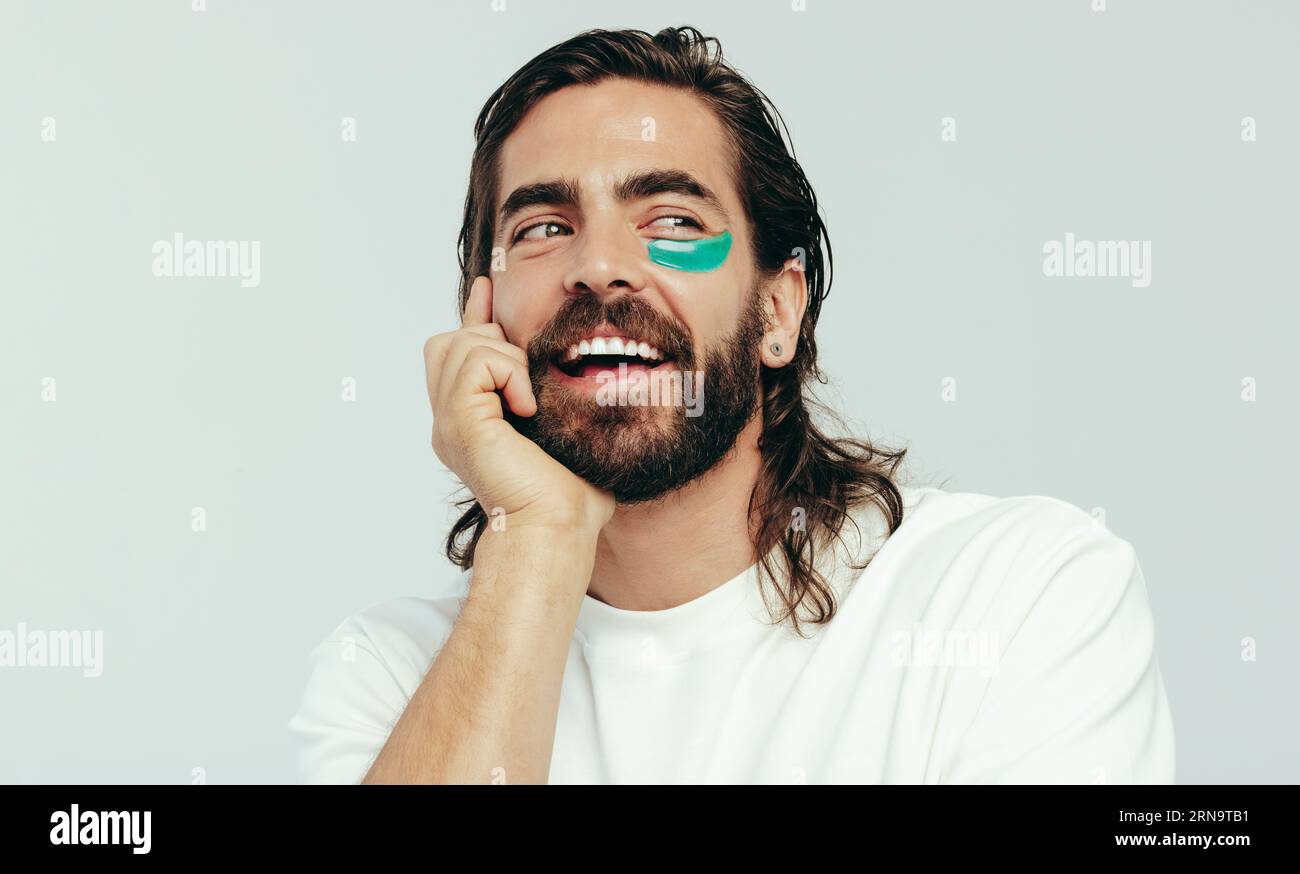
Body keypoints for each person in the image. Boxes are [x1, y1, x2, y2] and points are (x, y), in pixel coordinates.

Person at [288, 26, 1175, 784]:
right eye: (543, 228)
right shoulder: (390, 675)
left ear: (778, 311)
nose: (600, 266)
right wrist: (537, 533)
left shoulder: (1015, 597)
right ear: (482, 317)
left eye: (673, 220)